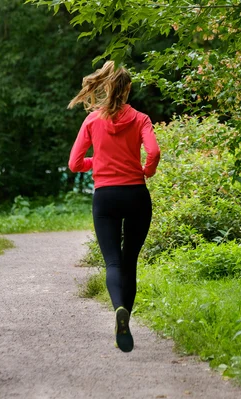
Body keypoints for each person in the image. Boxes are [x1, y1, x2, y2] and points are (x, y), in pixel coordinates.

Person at [68, 61, 160, 353]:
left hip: (105, 197)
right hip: (136, 195)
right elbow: (154, 151)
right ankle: (126, 318)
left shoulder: (92, 121)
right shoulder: (141, 119)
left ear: (106, 87)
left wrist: (98, 163)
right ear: (128, 88)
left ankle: (118, 307)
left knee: (113, 262)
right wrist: (147, 170)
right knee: (129, 260)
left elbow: (73, 163)